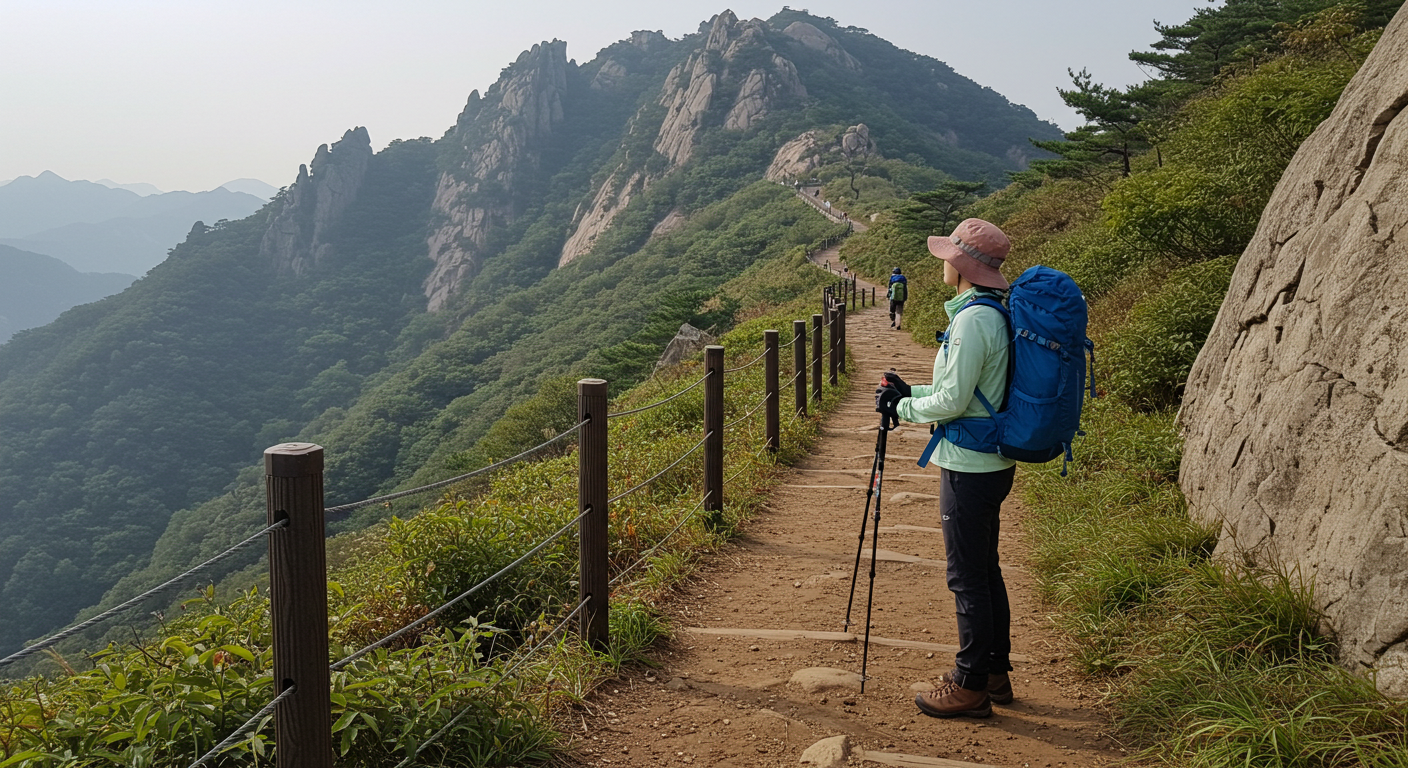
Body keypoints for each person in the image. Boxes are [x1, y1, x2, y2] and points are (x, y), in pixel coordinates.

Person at [874, 218, 1016, 719]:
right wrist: (908, 392)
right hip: (987, 460)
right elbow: (967, 391)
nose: (940, 263)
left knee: (966, 576)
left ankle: (970, 683)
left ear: (960, 264)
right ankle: (995, 672)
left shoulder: (974, 320)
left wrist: (900, 410)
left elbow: (955, 400)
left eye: (945, 256)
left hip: (969, 466)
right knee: (984, 568)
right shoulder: (987, 312)